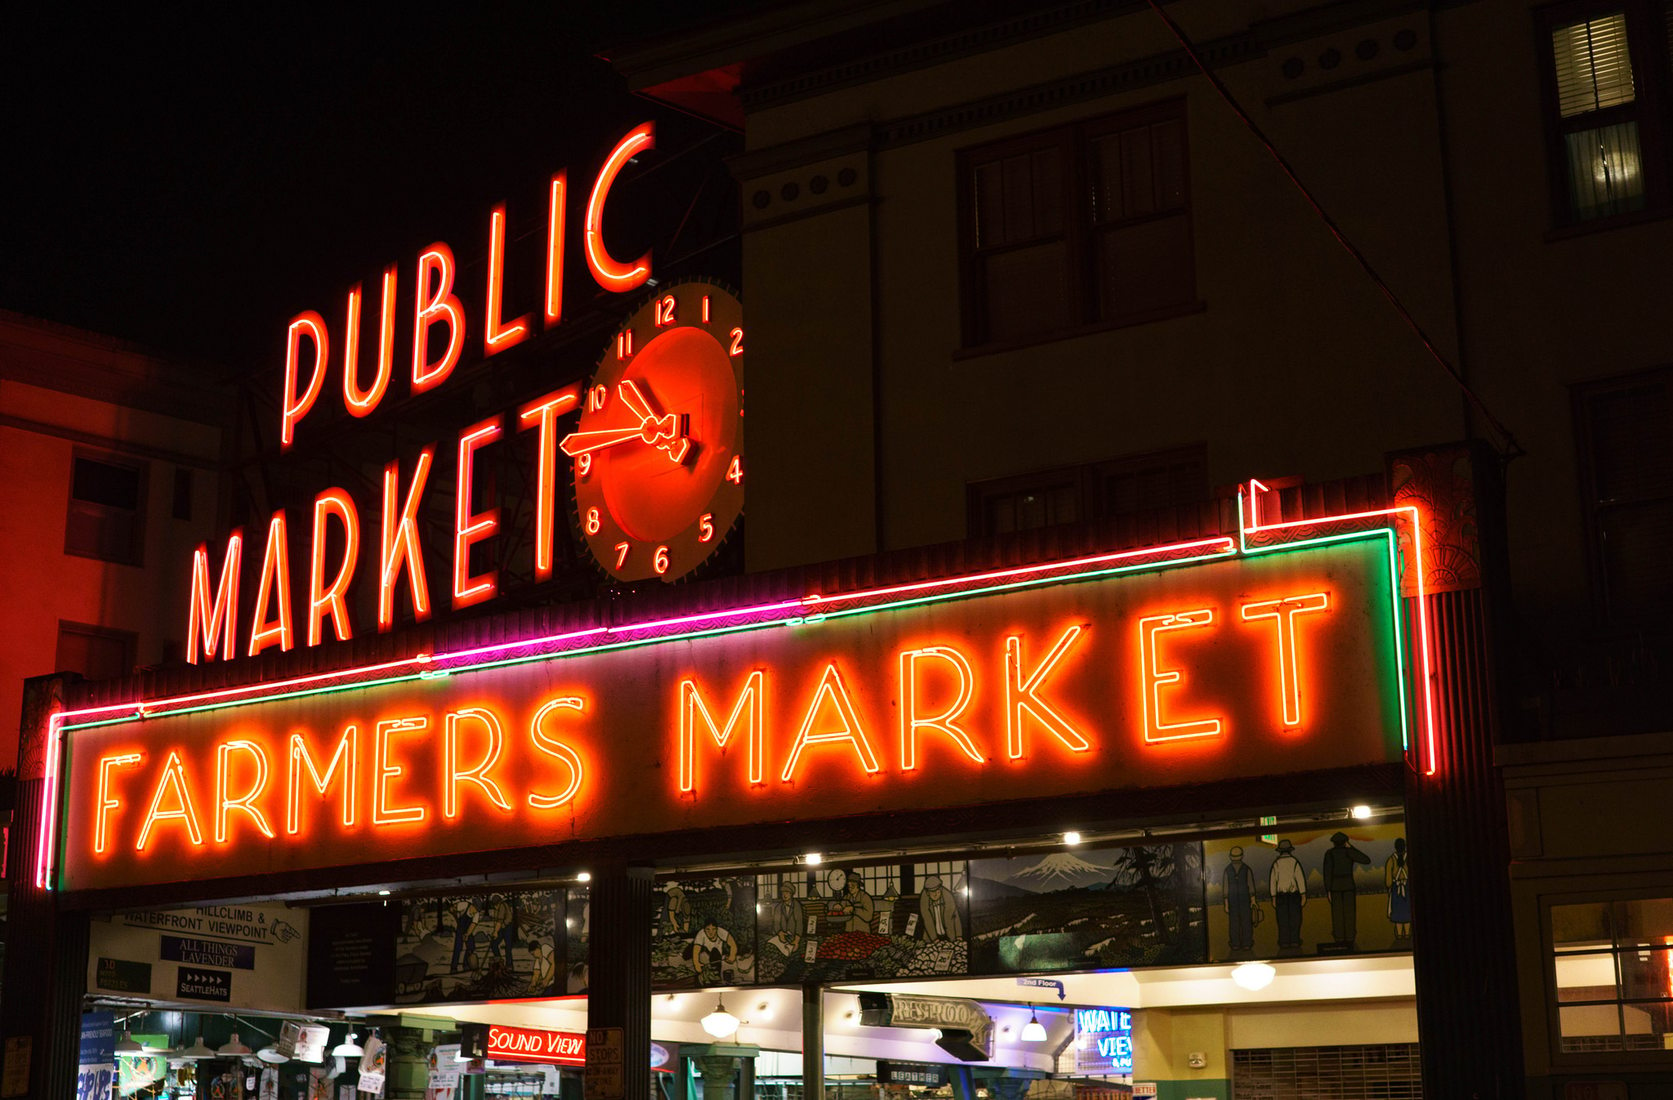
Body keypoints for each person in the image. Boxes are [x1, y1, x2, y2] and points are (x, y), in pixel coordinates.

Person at [1322, 831, 1371, 945]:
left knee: (1337, 914)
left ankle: (1339, 938)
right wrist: (1352, 847)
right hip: (1349, 885)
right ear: (1345, 842)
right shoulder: (1349, 852)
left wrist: (1328, 889)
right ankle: (1350, 937)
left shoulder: (1329, 854)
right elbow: (1366, 860)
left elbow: (1327, 872)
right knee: (1350, 914)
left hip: (1335, 887)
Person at [1268, 839, 1307, 949]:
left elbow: (1273, 881)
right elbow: (1300, 879)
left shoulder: (1276, 863)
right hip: (1294, 895)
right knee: (1295, 919)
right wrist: (1303, 894)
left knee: (1282, 920)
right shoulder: (1294, 862)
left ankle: (1284, 941)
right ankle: (1294, 940)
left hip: (1281, 896)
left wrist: (1273, 897)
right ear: (1289, 850)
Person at [1222, 847, 1257, 951]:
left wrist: (1226, 903)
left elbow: (1225, 888)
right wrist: (1253, 900)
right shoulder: (1246, 869)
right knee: (1245, 922)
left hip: (1234, 900)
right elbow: (1251, 886)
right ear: (1242, 856)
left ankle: (1236, 944)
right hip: (1244, 899)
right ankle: (1246, 943)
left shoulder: (1227, 870)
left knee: (1235, 923)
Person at [918, 875, 962, 941]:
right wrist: (934, 939)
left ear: (941, 889)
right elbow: (927, 920)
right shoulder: (924, 900)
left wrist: (958, 935)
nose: (935, 894)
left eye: (937, 891)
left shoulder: (948, 897)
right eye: (932, 892)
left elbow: (955, 916)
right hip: (931, 936)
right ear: (927, 893)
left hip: (950, 933)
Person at [1384, 837, 1411, 941]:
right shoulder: (1409, 858)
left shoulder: (1391, 860)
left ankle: (1399, 936)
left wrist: (1389, 888)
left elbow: (1388, 881)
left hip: (1396, 889)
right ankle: (1407, 935)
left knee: (1398, 914)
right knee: (1407, 912)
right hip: (1407, 889)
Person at [768, 881, 804, 945]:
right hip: (781, 936)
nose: (784, 895)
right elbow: (776, 923)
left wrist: (797, 940)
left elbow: (799, 923)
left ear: (791, 894)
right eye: (783, 893)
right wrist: (780, 933)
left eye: (787, 892)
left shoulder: (797, 905)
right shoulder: (778, 907)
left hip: (794, 936)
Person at [449, 899, 476, 971]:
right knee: (458, 947)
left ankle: (466, 964)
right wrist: (455, 915)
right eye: (474, 909)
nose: (475, 912)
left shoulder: (476, 914)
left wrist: (467, 934)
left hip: (467, 930)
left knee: (471, 947)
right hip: (460, 929)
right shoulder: (464, 905)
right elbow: (451, 909)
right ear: (472, 906)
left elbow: (473, 925)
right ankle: (453, 967)